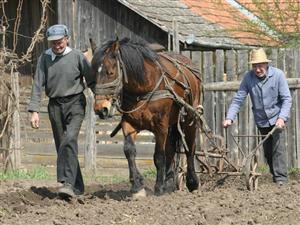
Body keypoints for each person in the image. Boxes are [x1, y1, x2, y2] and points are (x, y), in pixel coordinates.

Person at [28, 24, 95, 198]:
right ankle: (77, 187)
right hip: (55, 105)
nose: (57, 45)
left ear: (67, 39)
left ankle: (67, 183)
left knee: (69, 139)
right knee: (63, 146)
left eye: (60, 41)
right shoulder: (45, 58)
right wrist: (34, 110)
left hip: (76, 103)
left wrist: (103, 102)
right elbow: (37, 84)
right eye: (53, 43)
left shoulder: (77, 56)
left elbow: (92, 81)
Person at [223, 48, 292, 186]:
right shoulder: (248, 78)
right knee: (267, 152)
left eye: (260, 66)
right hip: (261, 120)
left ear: (266, 64)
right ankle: (275, 176)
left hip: (277, 118)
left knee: (277, 149)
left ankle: (281, 180)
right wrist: (229, 117)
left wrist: (281, 118)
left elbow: (287, 99)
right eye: (255, 66)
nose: (258, 69)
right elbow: (238, 99)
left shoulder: (278, 75)